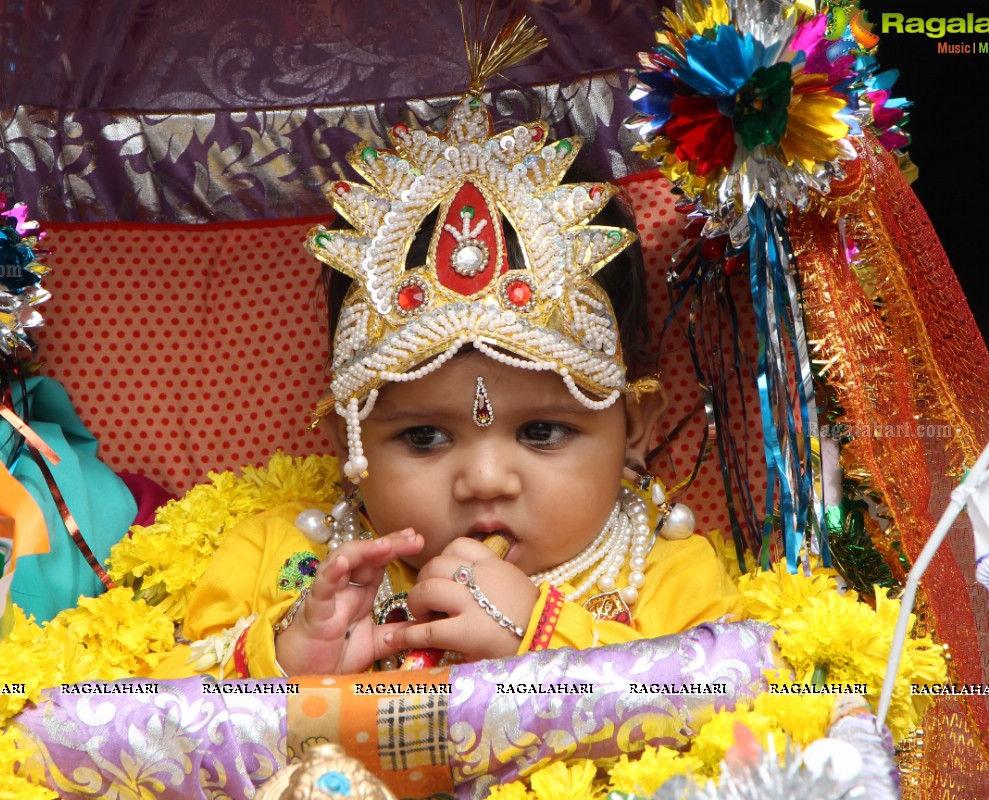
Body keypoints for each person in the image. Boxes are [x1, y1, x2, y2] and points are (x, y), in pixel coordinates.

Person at [178, 81, 743, 681]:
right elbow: (138, 711)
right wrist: (289, 663)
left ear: (632, 429)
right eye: (424, 437)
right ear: (351, 445)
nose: (484, 481)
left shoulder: (670, 582)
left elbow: (743, 701)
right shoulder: (279, 559)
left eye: (543, 431)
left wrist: (546, 643)